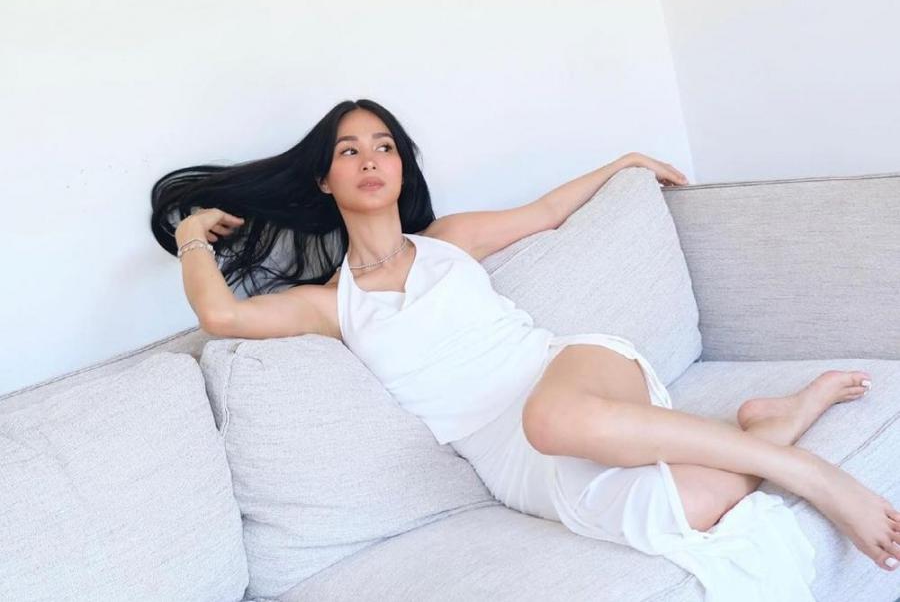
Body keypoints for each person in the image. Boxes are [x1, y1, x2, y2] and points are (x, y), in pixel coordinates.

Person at [150, 98, 900, 600]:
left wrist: (624, 163)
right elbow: (220, 313)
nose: (371, 159)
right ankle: (775, 423)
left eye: (384, 146)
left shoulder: (449, 241)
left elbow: (545, 212)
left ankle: (810, 473)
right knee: (689, 508)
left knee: (552, 415)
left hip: (571, 372)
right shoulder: (331, 306)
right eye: (350, 151)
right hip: (515, 459)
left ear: (402, 167)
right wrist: (190, 234)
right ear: (324, 177)